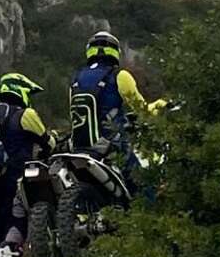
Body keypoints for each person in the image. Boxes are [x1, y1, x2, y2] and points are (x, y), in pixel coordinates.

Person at [0, 73, 55, 257]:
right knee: (17, 217)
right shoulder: (24, 114)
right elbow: (48, 142)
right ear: (19, 90)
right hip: (18, 176)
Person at [69, 31, 166, 192]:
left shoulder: (75, 79)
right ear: (115, 51)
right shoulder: (119, 76)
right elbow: (142, 111)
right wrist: (161, 105)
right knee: (143, 185)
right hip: (111, 145)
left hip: (79, 146)